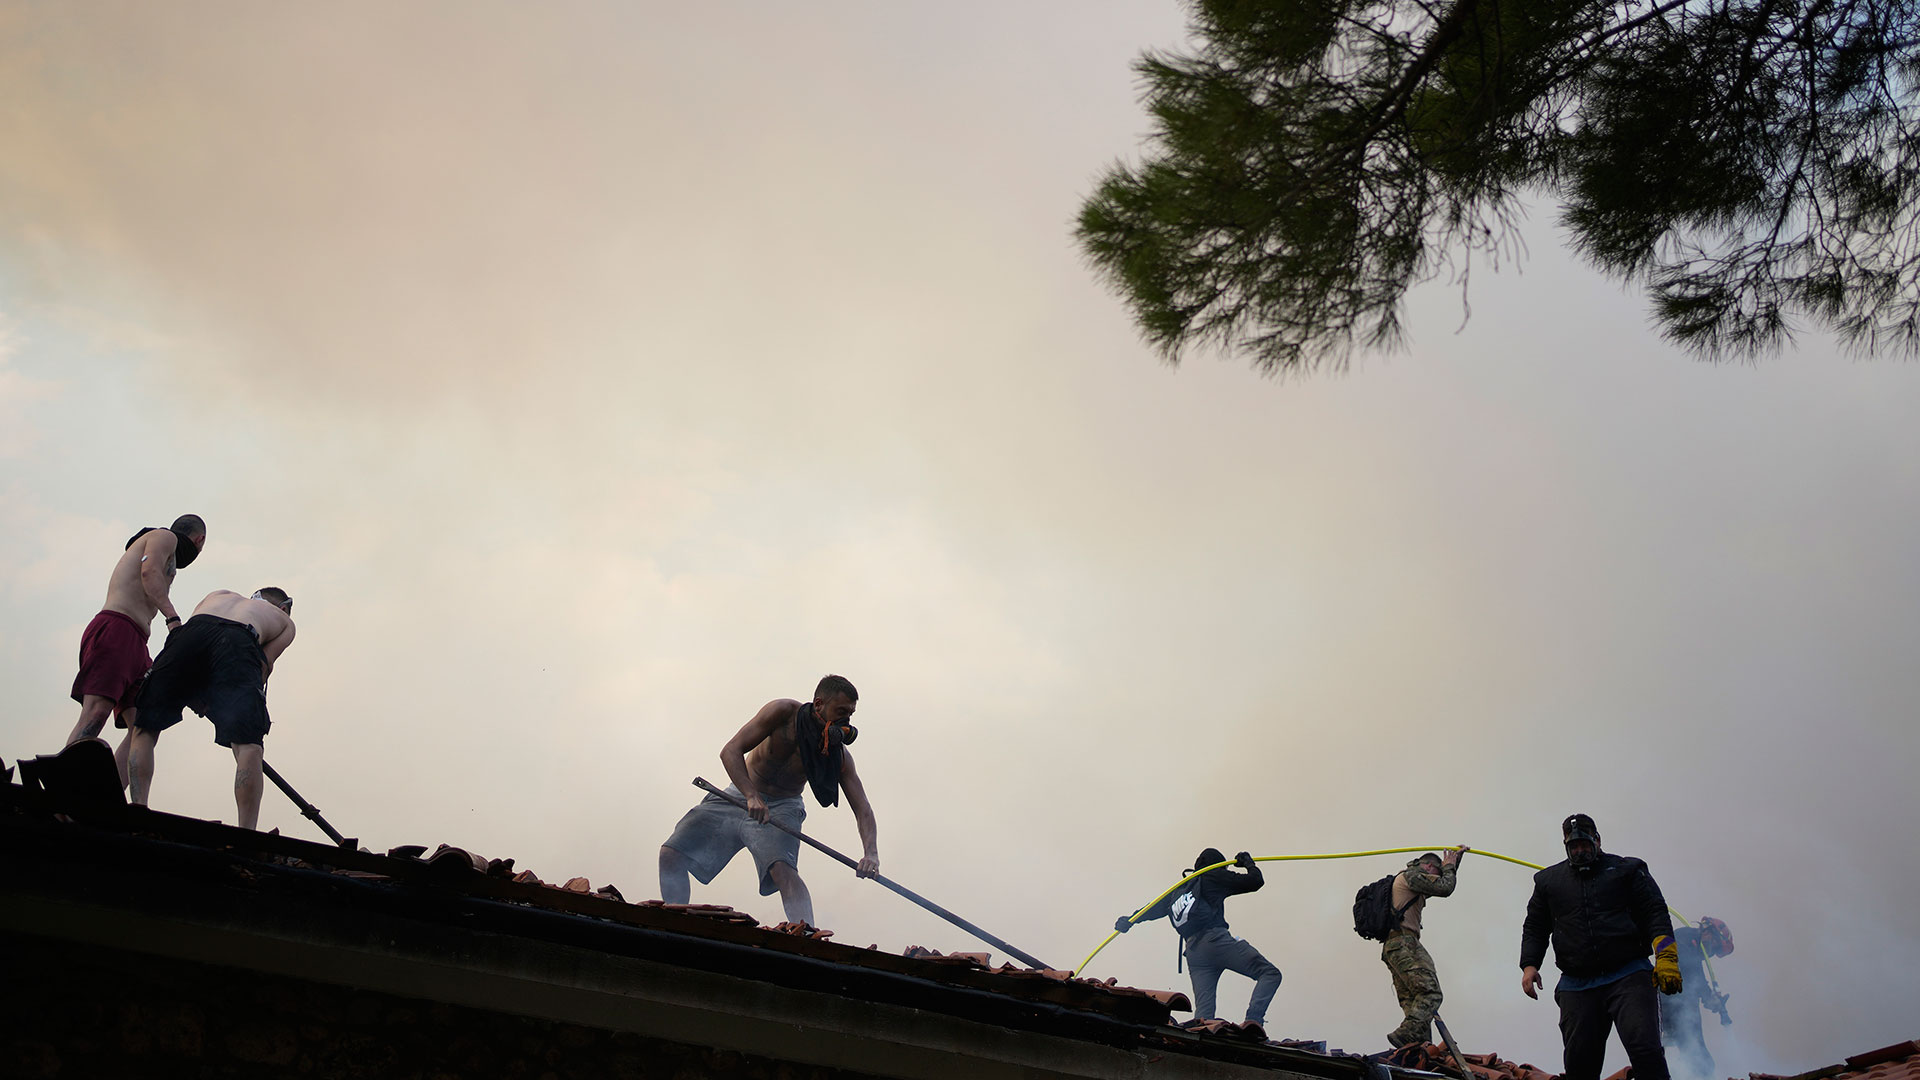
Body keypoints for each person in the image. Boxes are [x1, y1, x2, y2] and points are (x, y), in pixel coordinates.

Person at [658, 675, 877, 928]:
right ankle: (674, 920)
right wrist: (751, 794)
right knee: (671, 853)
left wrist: (871, 854)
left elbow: (863, 809)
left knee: (784, 871)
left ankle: (806, 936)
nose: (845, 721)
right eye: (840, 711)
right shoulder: (783, 713)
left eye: (850, 714)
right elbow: (730, 750)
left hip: (783, 807)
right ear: (819, 704)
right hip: (739, 795)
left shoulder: (837, 755)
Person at [1519, 813, 1681, 1080]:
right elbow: (1535, 926)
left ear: (1597, 840)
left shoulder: (1628, 870)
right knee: (1580, 1063)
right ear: (1566, 846)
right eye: (1574, 847)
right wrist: (1529, 965)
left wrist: (1666, 957)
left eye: (1585, 844)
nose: (1580, 851)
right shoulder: (1548, 881)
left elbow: (1655, 912)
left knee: (1645, 1049)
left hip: (1628, 975)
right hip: (1577, 984)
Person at [128, 588, 296, 830]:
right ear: (283, 608)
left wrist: (196, 693)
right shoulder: (285, 622)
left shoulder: (220, 595)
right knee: (249, 745)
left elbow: (200, 649)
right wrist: (233, 713)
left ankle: (138, 807)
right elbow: (262, 666)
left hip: (191, 633)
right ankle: (246, 833)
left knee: (145, 726)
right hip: (239, 641)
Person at [64, 514, 207, 785]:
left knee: (143, 725)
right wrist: (174, 619)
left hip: (137, 643)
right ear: (199, 540)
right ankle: (62, 790)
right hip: (117, 627)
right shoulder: (163, 537)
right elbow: (148, 572)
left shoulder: (169, 554)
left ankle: (110, 793)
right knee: (96, 712)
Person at [1114, 848, 1283, 1034]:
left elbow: (1151, 908)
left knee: (1204, 1017)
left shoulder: (1177, 892)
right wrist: (1247, 863)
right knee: (1269, 973)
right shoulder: (1212, 876)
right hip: (1216, 941)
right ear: (1217, 865)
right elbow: (1255, 881)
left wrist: (1130, 920)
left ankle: (1204, 1038)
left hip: (1195, 955)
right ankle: (1254, 1021)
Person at [1382, 846, 1470, 1048]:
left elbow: (1441, 883)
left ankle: (1419, 1045)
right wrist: (1448, 868)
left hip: (1394, 946)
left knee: (1413, 1000)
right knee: (1431, 993)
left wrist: (1454, 863)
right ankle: (1407, 1034)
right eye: (1436, 873)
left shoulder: (1412, 883)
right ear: (1429, 867)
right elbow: (1444, 887)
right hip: (1405, 943)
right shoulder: (1412, 876)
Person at [1661, 917, 1734, 1080]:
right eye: (1714, 947)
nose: (1711, 953)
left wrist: (1710, 999)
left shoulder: (1695, 947)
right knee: (1699, 1059)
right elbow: (1690, 970)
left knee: (1699, 1058)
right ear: (1708, 932)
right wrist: (1707, 995)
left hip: (1684, 1004)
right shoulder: (1684, 938)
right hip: (1669, 1002)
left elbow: (1696, 977)